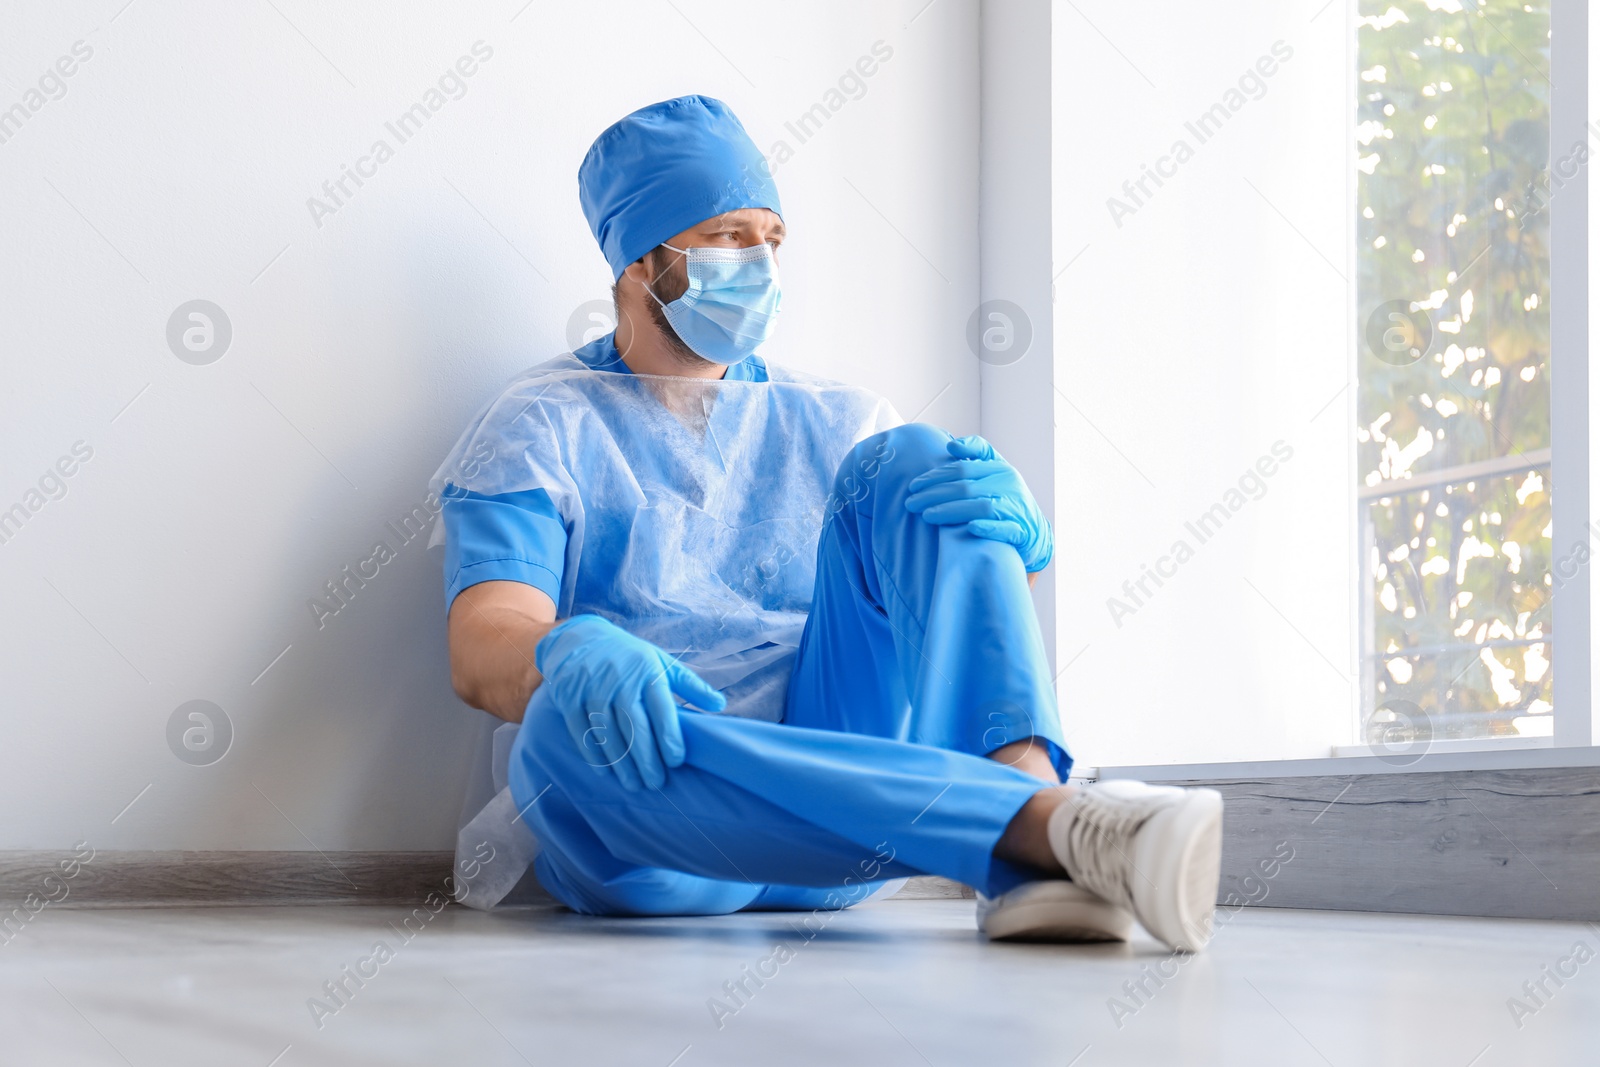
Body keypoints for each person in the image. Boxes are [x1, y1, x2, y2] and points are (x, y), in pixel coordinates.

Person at [430, 95, 1223, 951]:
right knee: (555, 738)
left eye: (772, 239)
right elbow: (484, 644)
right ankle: (1044, 841)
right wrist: (563, 647)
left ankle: (1028, 800)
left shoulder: (834, 416)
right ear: (636, 259)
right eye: (728, 237)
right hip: (665, 820)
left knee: (921, 463)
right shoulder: (542, 421)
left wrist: (1008, 546)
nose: (761, 263)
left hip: (840, 738)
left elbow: (936, 611)